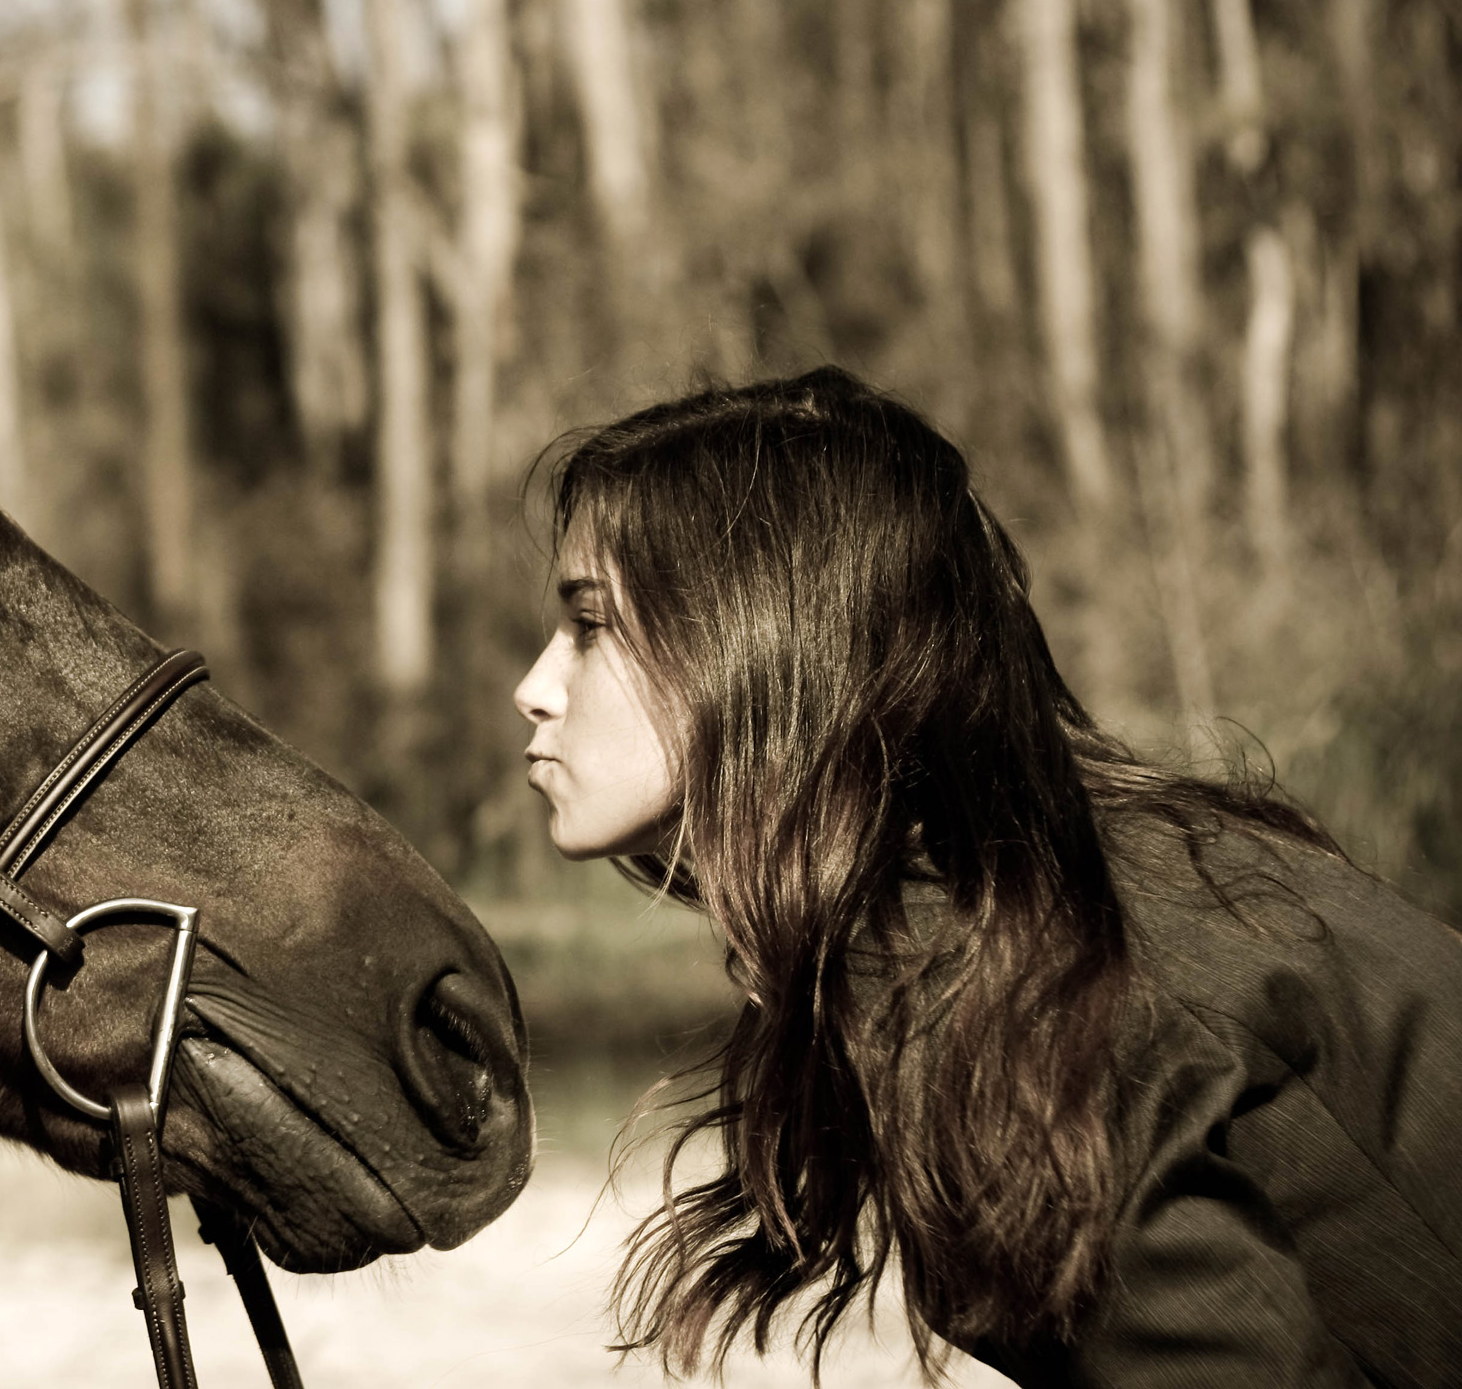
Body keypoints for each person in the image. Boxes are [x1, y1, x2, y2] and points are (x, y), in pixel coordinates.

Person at [512, 368, 1462, 1387]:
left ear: (754, 640)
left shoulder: (989, 972)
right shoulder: (1065, 868)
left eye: (589, 624)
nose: (534, 688)